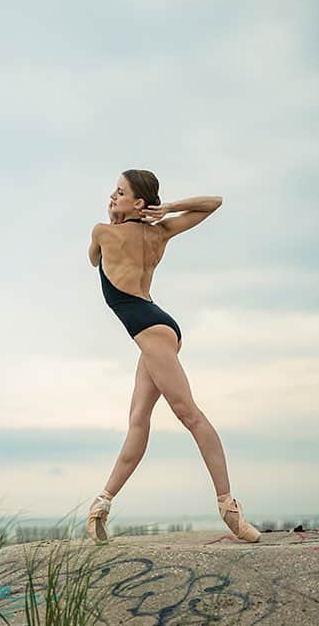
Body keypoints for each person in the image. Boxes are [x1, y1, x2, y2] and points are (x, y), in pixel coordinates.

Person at [85, 169, 260, 545]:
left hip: (151, 332)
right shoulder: (160, 232)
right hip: (157, 328)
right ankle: (102, 503)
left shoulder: (102, 232)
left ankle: (229, 508)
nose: (111, 197)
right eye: (113, 191)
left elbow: (92, 260)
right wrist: (166, 212)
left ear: (139, 203)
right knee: (138, 421)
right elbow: (213, 204)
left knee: (190, 415)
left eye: (120, 192)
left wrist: (134, 216)